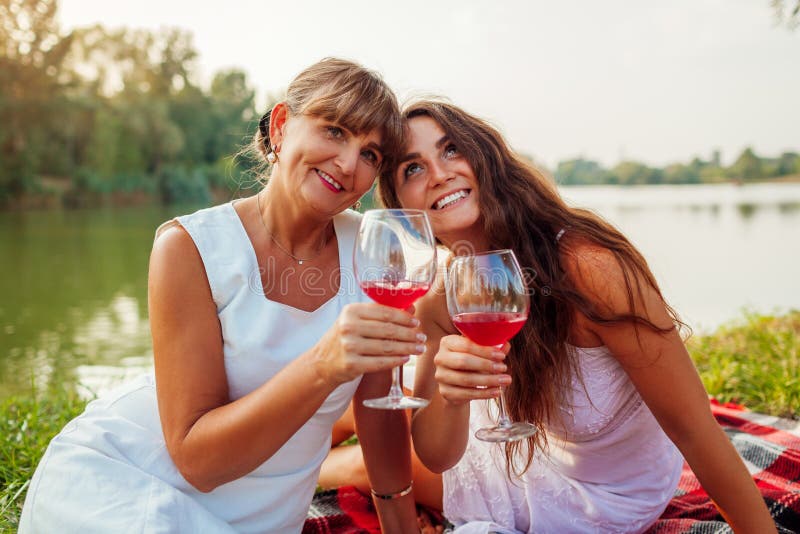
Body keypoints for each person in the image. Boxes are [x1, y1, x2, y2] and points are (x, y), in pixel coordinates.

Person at [19, 58, 422, 534]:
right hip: (128, 486)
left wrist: (403, 528)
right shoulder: (189, 248)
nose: (349, 163)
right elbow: (198, 463)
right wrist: (323, 364)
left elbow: (380, 419)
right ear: (280, 127)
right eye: (334, 131)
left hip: (265, 521)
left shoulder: (373, 249)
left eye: (370, 154)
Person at [376, 99, 777, 533]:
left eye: (451, 149)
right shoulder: (442, 296)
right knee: (377, 428)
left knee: (373, 460)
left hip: (615, 494)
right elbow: (437, 455)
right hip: (522, 456)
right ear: (400, 203)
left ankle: (325, 454)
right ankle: (315, 455)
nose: (439, 174)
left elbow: (694, 427)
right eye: (412, 169)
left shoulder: (589, 268)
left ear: (485, 156)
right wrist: (453, 400)